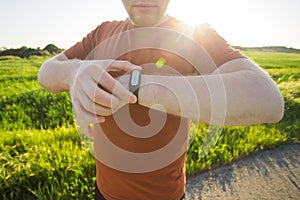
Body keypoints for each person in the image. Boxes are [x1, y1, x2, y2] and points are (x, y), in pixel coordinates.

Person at [38, 0, 284, 199]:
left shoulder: (192, 34)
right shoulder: (102, 32)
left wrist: (135, 88)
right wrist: (74, 72)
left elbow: (267, 99)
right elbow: (46, 71)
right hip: (104, 191)